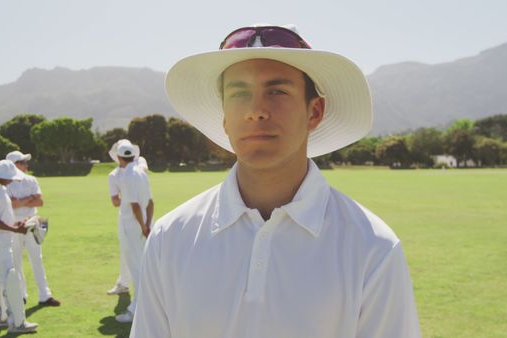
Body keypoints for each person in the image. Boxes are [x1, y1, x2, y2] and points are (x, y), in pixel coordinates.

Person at [130, 25, 421, 338]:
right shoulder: (170, 237)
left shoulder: (372, 247)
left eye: (277, 91)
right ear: (224, 117)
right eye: (239, 93)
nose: (256, 111)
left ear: (315, 111)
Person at [0, 159, 39, 333]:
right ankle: (17, 323)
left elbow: (2, 216)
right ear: (3, 176)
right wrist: (14, 229)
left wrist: (17, 223)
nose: (13, 179)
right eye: (11, 177)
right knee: (10, 277)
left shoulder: (0, 189)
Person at [5, 151, 60, 307]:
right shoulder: (6, 183)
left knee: (37, 259)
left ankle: (45, 295)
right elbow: (12, 205)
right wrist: (30, 199)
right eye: (22, 162)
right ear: (13, 165)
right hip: (13, 226)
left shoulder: (31, 179)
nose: (25, 165)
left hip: (33, 223)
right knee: (16, 262)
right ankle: (21, 295)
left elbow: (40, 202)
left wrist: (21, 201)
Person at [110, 141, 154, 323]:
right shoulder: (142, 173)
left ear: (120, 158)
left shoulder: (126, 177)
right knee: (141, 265)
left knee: (136, 268)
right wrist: (148, 224)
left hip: (132, 226)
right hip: (144, 225)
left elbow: (134, 205)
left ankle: (136, 310)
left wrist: (143, 225)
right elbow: (150, 202)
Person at [105, 139, 147, 296]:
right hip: (127, 217)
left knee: (139, 255)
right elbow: (115, 201)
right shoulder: (114, 175)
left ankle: (143, 293)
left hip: (138, 216)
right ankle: (123, 283)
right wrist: (129, 199)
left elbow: (143, 167)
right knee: (126, 251)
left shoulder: (138, 166)